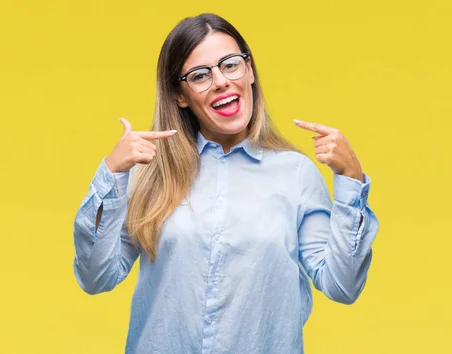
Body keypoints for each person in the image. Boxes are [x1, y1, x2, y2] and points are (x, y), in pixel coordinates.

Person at [72, 13, 379, 354]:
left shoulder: (296, 174)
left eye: (230, 65)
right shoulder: (151, 173)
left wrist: (351, 180)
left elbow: (343, 285)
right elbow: (96, 278)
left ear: (249, 70)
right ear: (180, 95)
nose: (220, 81)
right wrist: (112, 173)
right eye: (200, 75)